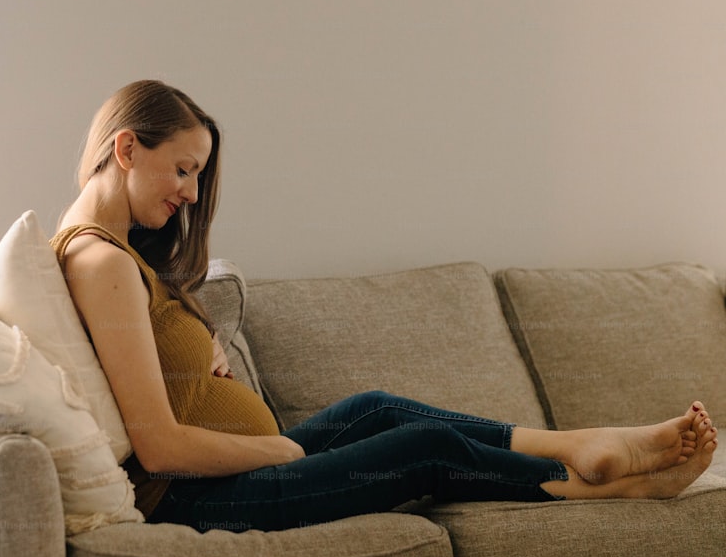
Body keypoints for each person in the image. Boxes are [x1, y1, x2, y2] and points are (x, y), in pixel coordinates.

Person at [51, 79, 719, 533]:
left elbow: (153, 368)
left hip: (230, 474)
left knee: (377, 407)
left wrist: (199, 345)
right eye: (184, 168)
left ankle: (583, 442)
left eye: (197, 173)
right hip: (204, 499)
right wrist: (281, 453)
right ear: (128, 147)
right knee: (422, 446)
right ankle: (608, 484)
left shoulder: (112, 252)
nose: (191, 194)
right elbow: (160, 446)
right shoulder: (102, 259)